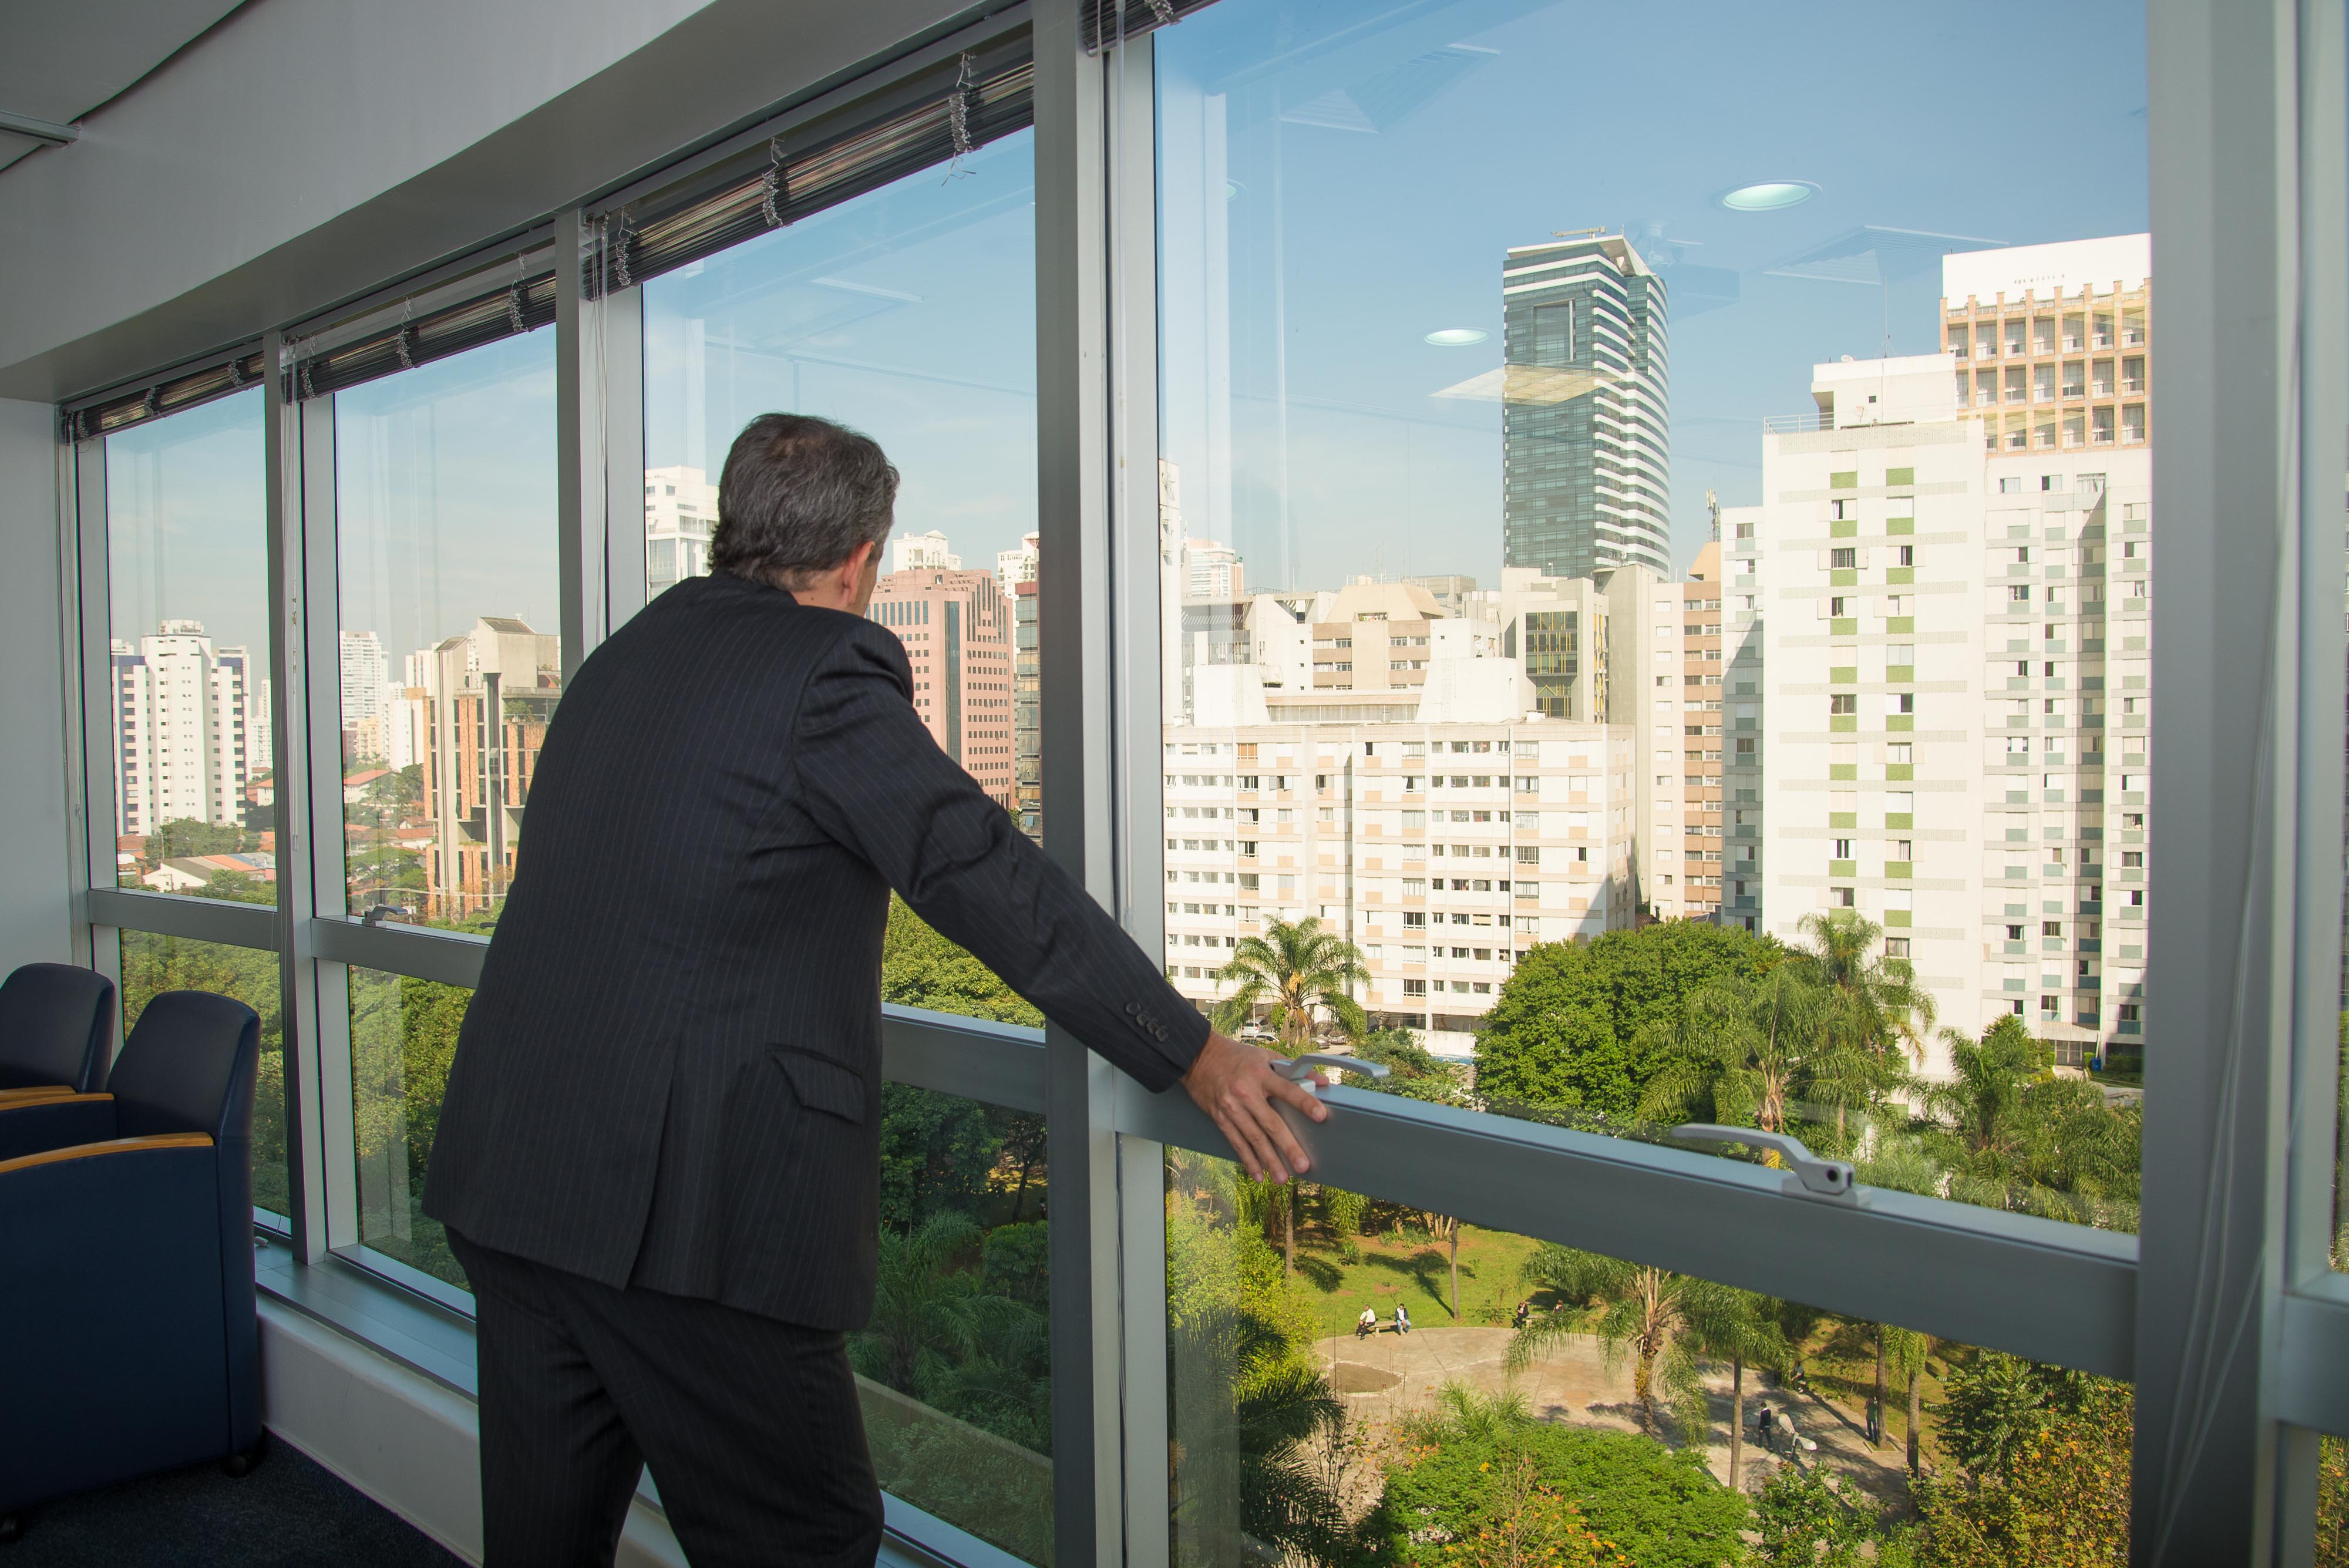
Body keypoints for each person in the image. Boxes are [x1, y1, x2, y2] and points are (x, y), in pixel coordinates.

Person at [421, 413, 1326, 1568]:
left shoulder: (623, 658)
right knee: (807, 1542)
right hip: (690, 1225)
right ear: (861, 562)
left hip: (513, 1183)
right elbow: (980, 873)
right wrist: (1190, 1051)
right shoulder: (822, 672)